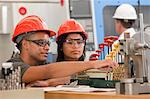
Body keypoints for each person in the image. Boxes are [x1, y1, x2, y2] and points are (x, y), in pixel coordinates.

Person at [7, 15, 117, 87]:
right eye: (41, 43)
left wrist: (50, 82)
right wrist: (93, 64)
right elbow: (48, 71)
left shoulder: (43, 64)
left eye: (48, 43)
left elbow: (67, 77)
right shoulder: (11, 68)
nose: (47, 48)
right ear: (25, 44)